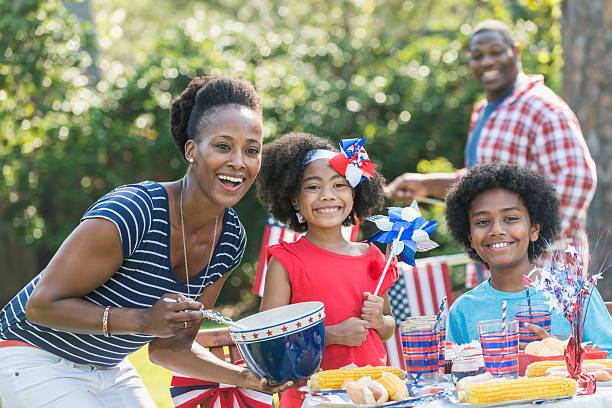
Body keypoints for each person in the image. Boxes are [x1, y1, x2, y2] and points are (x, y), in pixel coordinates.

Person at [0, 76, 294, 408]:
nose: (239, 162)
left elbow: (171, 347)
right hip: (31, 354)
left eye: (251, 150)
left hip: (109, 367)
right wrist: (142, 321)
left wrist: (248, 378)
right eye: (223, 146)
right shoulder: (134, 211)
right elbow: (40, 306)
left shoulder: (229, 240)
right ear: (192, 150)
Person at [386, 19, 597, 254]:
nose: (487, 62)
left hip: (544, 271)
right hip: (497, 268)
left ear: (515, 51)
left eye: (496, 52)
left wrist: (530, 242)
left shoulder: (541, 107)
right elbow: (481, 182)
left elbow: (578, 178)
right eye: (478, 56)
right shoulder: (483, 111)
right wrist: (423, 185)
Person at [256, 132, 398, 407]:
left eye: (339, 185)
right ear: (294, 199)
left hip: (374, 394)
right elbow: (269, 340)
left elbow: (389, 326)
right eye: (312, 187)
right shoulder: (286, 261)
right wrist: (330, 335)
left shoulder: (372, 256)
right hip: (309, 398)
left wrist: (380, 322)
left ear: (354, 194)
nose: (327, 195)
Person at [444, 163, 612, 355]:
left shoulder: (576, 295)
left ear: (534, 230)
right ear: (470, 238)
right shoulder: (463, 310)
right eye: (482, 222)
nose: (497, 230)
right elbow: (453, 375)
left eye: (510, 218)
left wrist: (566, 353)